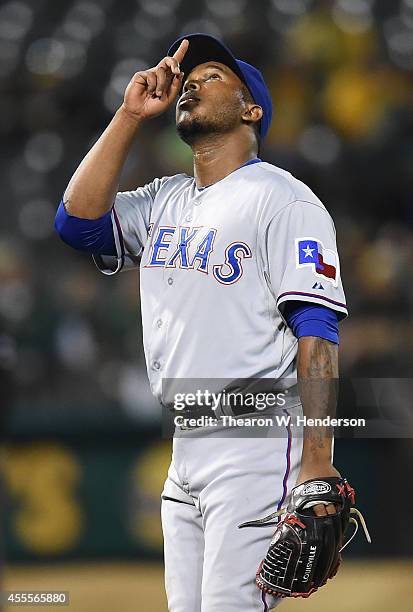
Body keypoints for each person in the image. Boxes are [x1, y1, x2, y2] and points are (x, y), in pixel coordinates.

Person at [56, 34, 348, 611]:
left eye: (212, 76)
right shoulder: (164, 198)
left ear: (251, 108)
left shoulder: (283, 199)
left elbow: (317, 328)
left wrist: (317, 462)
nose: (191, 83)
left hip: (257, 438)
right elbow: (76, 223)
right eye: (189, 78)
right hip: (185, 442)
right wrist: (129, 114)